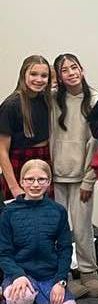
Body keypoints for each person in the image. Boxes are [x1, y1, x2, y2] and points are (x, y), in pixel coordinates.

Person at [0, 159, 79, 304]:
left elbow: (65, 249)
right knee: (20, 299)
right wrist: (17, 275)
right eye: (30, 179)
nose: (35, 184)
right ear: (21, 181)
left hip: (50, 276)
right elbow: (3, 253)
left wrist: (61, 281)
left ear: (49, 182)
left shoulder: (58, 211)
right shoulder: (8, 213)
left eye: (41, 179)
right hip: (22, 276)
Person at [49, 53, 98, 299]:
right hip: (55, 177)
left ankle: (89, 274)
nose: (70, 73)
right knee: (58, 229)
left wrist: (89, 179)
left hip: (82, 178)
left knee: (83, 228)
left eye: (74, 67)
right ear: (58, 76)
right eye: (64, 70)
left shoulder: (95, 100)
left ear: (81, 68)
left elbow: (96, 145)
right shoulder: (51, 100)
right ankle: (64, 276)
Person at [1, 55, 54, 200]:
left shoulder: (45, 99)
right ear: (23, 74)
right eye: (33, 74)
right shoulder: (11, 105)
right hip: (19, 162)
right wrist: (14, 187)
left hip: (43, 159)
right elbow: (2, 151)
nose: (39, 79)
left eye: (44, 75)